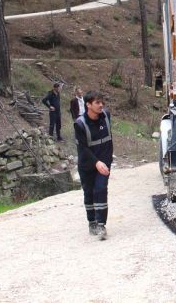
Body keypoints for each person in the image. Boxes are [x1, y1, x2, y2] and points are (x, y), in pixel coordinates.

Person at [74, 90, 113, 240]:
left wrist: (105, 162)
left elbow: (108, 142)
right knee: (89, 193)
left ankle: (101, 225)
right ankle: (92, 222)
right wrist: (96, 162)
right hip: (87, 165)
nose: (101, 105)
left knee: (101, 189)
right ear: (88, 105)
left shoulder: (106, 116)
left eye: (102, 102)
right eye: (97, 102)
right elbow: (83, 149)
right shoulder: (79, 124)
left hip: (104, 163)